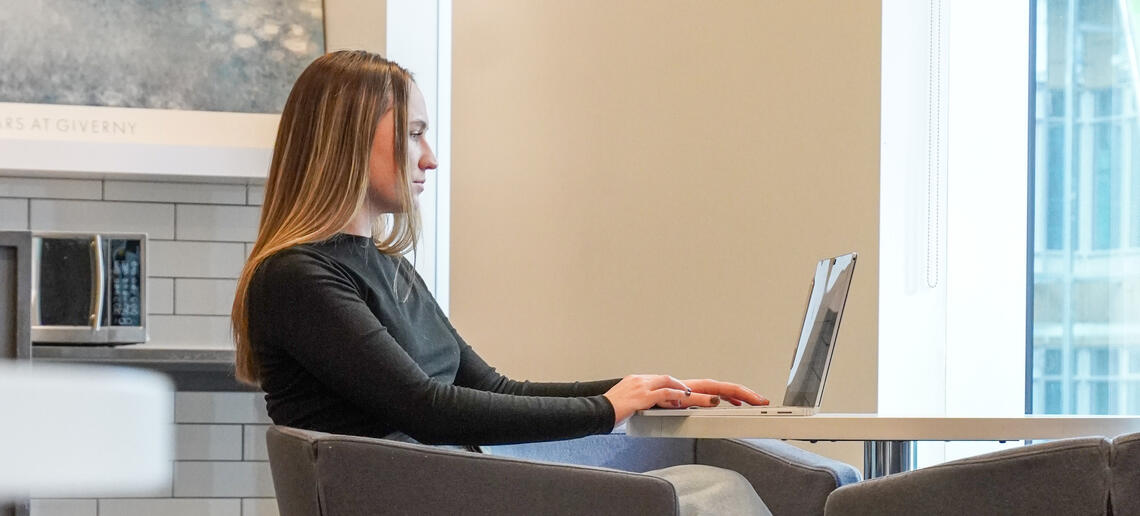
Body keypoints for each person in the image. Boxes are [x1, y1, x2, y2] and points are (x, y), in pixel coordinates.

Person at [231, 50, 772, 515]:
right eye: (413, 133)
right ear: (346, 139)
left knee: (708, 489)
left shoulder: (385, 265)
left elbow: (492, 390)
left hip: (450, 487)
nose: (430, 158)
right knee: (710, 492)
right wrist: (608, 408)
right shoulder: (297, 277)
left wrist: (643, 390)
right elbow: (427, 409)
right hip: (419, 498)